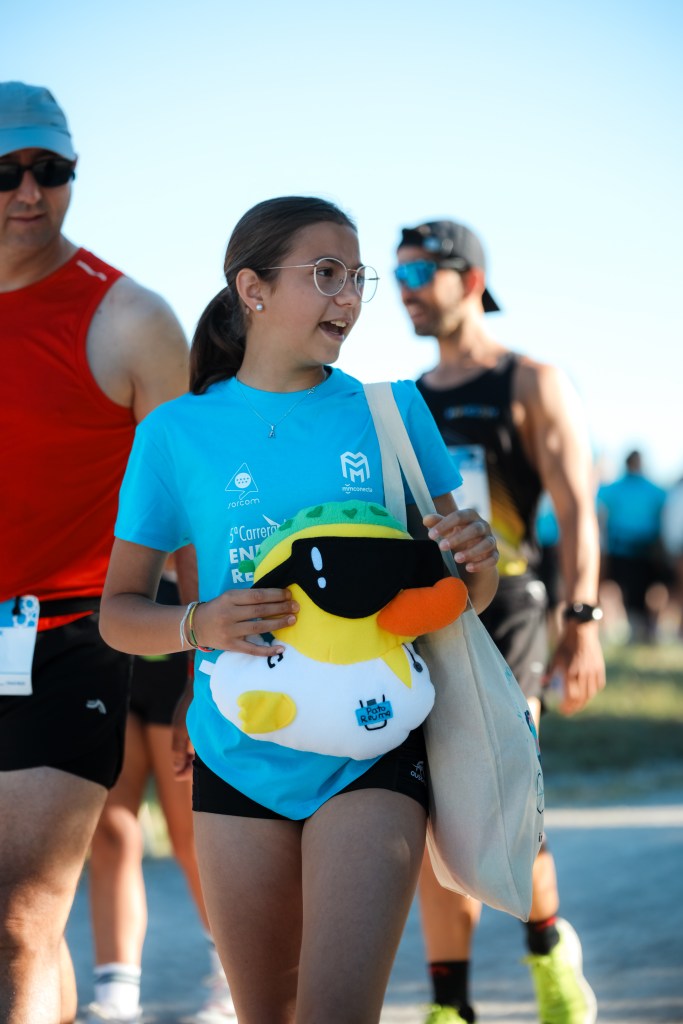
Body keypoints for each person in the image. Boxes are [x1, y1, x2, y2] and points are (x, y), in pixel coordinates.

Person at [97, 195, 500, 1024]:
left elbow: (455, 598)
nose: (348, 296)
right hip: (236, 754)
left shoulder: (392, 413)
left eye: (356, 277)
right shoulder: (174, 433)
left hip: (373, 749)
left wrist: (479, 563)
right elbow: (118, 613)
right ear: (251, 289)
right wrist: (198, 625)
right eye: (324, 274)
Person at [0, 81, 189, 1024]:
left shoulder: (130, 319)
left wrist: (203, 679)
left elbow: (192, 513)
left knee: (20, 921)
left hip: (70, 638)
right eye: (5, 172)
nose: (30, 192)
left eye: (52, 169)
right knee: (20, 932)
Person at [394, 219, 606, 1024]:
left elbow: (577, 507)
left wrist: (581, 621)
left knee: (500, 798)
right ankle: (449, 1005)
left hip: (511, 607)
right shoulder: (406, 399)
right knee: (436, 811)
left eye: (420, 273)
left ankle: (547, 950)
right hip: (429, 613)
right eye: (397, 276)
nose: (405, 291)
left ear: (471, 280)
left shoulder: (530, 381)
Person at [87, 561, 236, 1024]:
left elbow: (187, 549)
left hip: (173, 632)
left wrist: (196, 681)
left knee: (188, 836)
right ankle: (116, 995)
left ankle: (231, 978)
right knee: (110, 831)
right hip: (100, 634)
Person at [597, 450, 668, 643]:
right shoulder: (651, 489)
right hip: (629, 548)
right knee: (629, 591)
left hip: (639, 549)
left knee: (640, 591)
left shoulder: (618, 488)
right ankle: (638, 628)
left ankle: (644, 629)